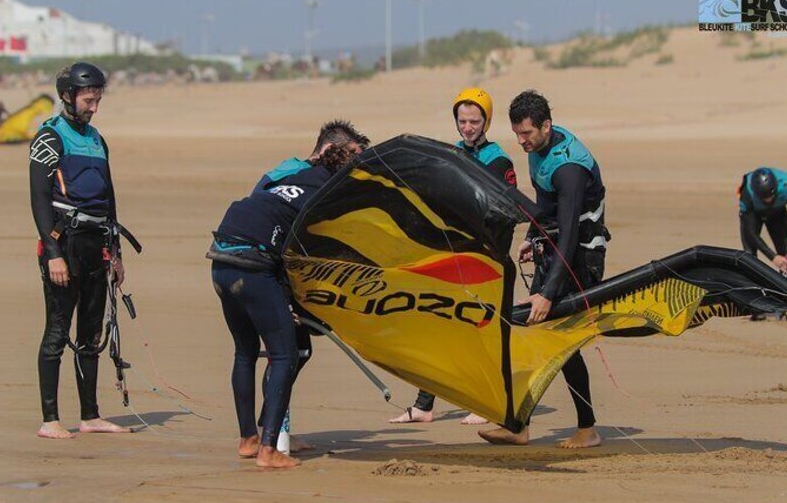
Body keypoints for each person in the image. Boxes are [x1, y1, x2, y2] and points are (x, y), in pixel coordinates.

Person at [210, 127, 367, 469]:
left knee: (245, 352)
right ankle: (268, 450)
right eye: (355, 155)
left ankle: (248, 440)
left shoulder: (292, 174)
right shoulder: (329, 190)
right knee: (285, 354)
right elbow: (304, 248)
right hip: (254, 265)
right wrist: (288, 299)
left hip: (222, 257)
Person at [479, 89, 609, 449]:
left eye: (528, 134)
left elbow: (569, 234)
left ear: (546, 126)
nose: (522, 141)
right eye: (517, 134)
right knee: (550, 340)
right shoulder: (541, 147)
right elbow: (546, 207)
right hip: (554, 251)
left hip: (579, 258)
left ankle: (584, 429)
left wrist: (549, 293)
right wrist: (532, 236)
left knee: (556, 341)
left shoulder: (569, 167)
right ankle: (525, 426)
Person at [389, 87, 517, 426]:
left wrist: (491, 255)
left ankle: (486, 402)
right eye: (462, 121)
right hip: (449, 256)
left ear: (486, 121)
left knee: (479, 331)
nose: (468, 127)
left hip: (484, 260)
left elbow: (507, 212)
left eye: (475, 121)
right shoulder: (450, 154)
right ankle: (423, 405)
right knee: (434, 324)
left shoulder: (499, 161)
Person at [29, 62, 130, 439]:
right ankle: (50, 420)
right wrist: (53, 252)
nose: (94, 107)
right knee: (57, 332)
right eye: (89, 100)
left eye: (98, 99)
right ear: (69, 97)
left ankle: (90, 415)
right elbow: (39, 199)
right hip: (64, 244)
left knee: (91, 334)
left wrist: (116, 251)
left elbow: (109, 198)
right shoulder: (49, 137)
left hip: (96, 246)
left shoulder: (97, 139)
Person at [738, 167, 787, 281]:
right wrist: (773, 257)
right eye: (764, 198)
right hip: (754, 214)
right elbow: (751, 233)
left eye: (770, 196)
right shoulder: (747, 194)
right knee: (749, 256)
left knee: (785, 256)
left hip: (777, 213)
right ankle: (752, 290)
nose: (768, 200)